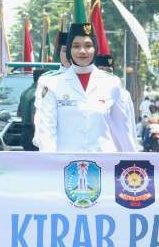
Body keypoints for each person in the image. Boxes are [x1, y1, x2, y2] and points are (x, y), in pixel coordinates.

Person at [35, 22, 137, 153]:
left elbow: (123, 130)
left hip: (104, 164)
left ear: (95, 49)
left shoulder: (112, 83)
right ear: (69, 50)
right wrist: (51, 165)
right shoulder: (52, 84)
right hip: (65, 166)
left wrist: (134, 163)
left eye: (88, 46)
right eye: (76, 46)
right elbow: (47, 132)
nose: (82, 51)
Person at [17, 69, 46, 151]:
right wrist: (38, 135)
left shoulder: (25, 92)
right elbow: (34, 116)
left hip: (25, 132)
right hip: (34, 132)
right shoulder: (38, 93)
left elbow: (19, 113)